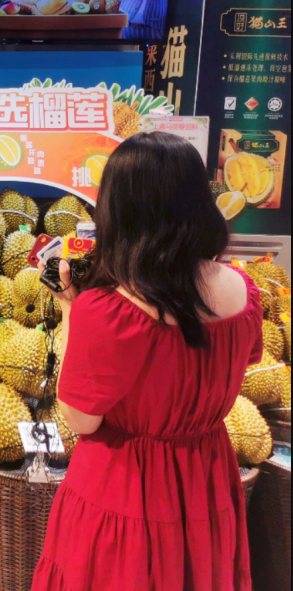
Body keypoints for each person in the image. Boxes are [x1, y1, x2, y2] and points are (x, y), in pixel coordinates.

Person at [31, 132, 262, 591]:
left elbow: (81, 419)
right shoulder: (243, 292)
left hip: (123, 492)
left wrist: (72, 309)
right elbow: (247, 356)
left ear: (120, 210)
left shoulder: (111, 311)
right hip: (206, 481)